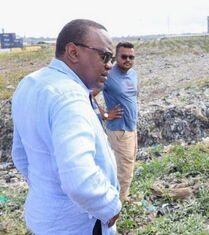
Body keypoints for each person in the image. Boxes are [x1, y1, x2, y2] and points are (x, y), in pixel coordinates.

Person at [11, 19, 121, 234]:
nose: (110, 65)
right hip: (79, 224)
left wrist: (48, 189)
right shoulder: (69, 98)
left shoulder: (30, 83)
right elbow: (79, 179)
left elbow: (21, 155)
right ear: (73, 52)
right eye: (105, 56)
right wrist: (110, 207)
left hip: (46, 218)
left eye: (112, 59)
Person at [103, 42, 138, 202]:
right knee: (124, 170)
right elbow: (89, 95)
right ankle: (117, 206)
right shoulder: (108, 74)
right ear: (116, 57)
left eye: (131, 57)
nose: (128, 60)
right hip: (119, 130)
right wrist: (104, 114)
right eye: (124, 57)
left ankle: (121, 197)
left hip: (131, 128)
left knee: (126, 165)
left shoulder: (133, 74)